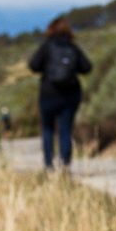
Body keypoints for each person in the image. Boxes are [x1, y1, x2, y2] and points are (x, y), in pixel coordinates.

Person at [28, 17, 93, 171]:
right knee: (65, 129)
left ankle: (48, 165)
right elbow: (87, 67)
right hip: (70, 95)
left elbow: (33, 65)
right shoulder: (73, 48)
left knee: (48, 129)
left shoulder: (46, 47)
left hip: (48, 93)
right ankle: (65, 165)